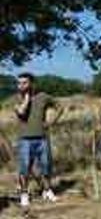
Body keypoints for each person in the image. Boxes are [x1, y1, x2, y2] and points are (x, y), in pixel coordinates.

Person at [14, 73, 64, 208]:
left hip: (42, 137)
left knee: (46, 166)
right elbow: (21, 112)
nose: (21, 86)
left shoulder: (43, 97)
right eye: (19, 83)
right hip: (25, 139)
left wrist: (51, 121)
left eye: (24, 83)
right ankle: (24, 194)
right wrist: (27, 99)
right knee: (25, 168)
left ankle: (47, 190)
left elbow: (60, 107)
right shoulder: (17, 98)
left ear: (32, 83)